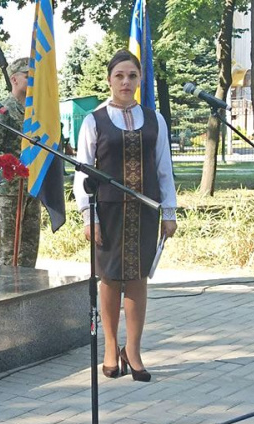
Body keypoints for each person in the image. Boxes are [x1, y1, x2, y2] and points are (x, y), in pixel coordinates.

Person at [73, 49, 177, 382]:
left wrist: (169, 211)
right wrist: (89, 217)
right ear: (109, 79)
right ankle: (109, 347)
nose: (126, 82)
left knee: (137, 279)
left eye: (132, 75)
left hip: (145, 211)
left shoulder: (154, 118)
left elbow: (164, 169)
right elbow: (83, 173)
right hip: (108, 210)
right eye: (119, 75)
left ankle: (132, 350)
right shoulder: (95, 120)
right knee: (110, 279)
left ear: (139, 79)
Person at [0, 57, 42, 267]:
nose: (33, 82)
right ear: (14, 79)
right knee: (9, 250)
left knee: (29, 248)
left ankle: (26, 297)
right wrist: (12, 166)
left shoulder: (36, 113)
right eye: (29, 77)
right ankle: (4, 297)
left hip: (32, 187)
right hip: (10, 189)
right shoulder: (3, 110)